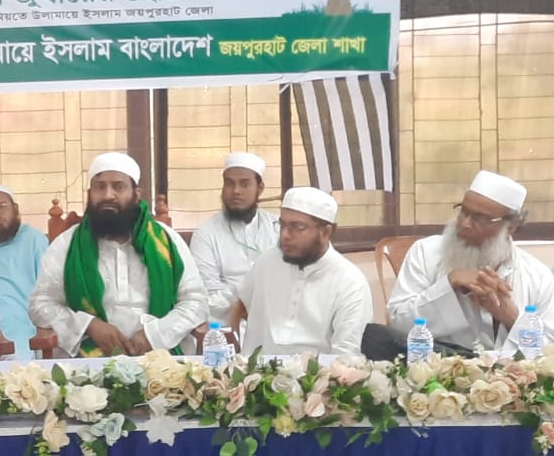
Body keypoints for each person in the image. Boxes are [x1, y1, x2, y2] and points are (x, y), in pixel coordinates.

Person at [29, 152, 207, 357]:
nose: (108, 195)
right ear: (90, 194)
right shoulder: (67, 245)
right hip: (87, 364)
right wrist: (88, 326)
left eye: (119, 187)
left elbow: (196, 301)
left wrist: (155, 335)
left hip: (160, 358)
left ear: (136, 194)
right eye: (100, 187)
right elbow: (40, 304)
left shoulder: (167, 241)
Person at [387, 171, 554, 354]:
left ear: (510, 227)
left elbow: (549, 352)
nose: (465, 224)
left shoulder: (537, 276)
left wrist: (511, 318)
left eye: (480, 219)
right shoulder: (426, 253)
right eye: (463, 212)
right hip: (439, 368)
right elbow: (398, 323)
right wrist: (449, 284)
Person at [237, 187, 372, 355]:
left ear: (325, 232)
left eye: (298, 227)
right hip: (256, 369)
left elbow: (346, 355)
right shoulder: (266, 263)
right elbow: (241, 305)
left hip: (317, 371)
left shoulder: (350, 282)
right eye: (282, 225)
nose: (285, 235)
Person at [188, 152, 279, 325]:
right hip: (224, 326)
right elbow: (208, 296)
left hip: (276, 320)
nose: (236, 191)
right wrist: (253, 293)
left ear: (260, 188)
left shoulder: (279, 228)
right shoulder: (206, 233)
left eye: (244, 184)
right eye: (229, 183)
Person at [0, 185, 48, 359]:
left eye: (2, 206)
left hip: (20, 320)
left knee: (16, 366)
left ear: (15, 208)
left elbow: (48, 290)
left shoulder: (34, 239)